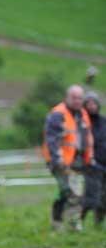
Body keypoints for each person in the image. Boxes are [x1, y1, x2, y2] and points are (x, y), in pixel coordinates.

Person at [42, 84, 94, 231]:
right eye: (74, 97)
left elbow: (86, 138)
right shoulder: (58, 114)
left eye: (80, 98)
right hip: (60, 161)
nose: (77, 101)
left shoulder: (82, 114)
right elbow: (52, 140)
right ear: (67, 97)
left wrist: (89, 157)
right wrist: (57, 160)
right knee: (71, 192)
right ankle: (72, 224)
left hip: (77, 161)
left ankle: (59, 222)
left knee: (68, 193)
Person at [82, 92, 106, 226]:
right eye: (88, 103)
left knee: (104, 198)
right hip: (91, 165)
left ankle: (98, 223)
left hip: (104, 163)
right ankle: (79, 221)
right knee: (91, 197)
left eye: (94, 103)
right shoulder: (83, 124)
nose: (91, 106)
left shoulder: (104, 121)